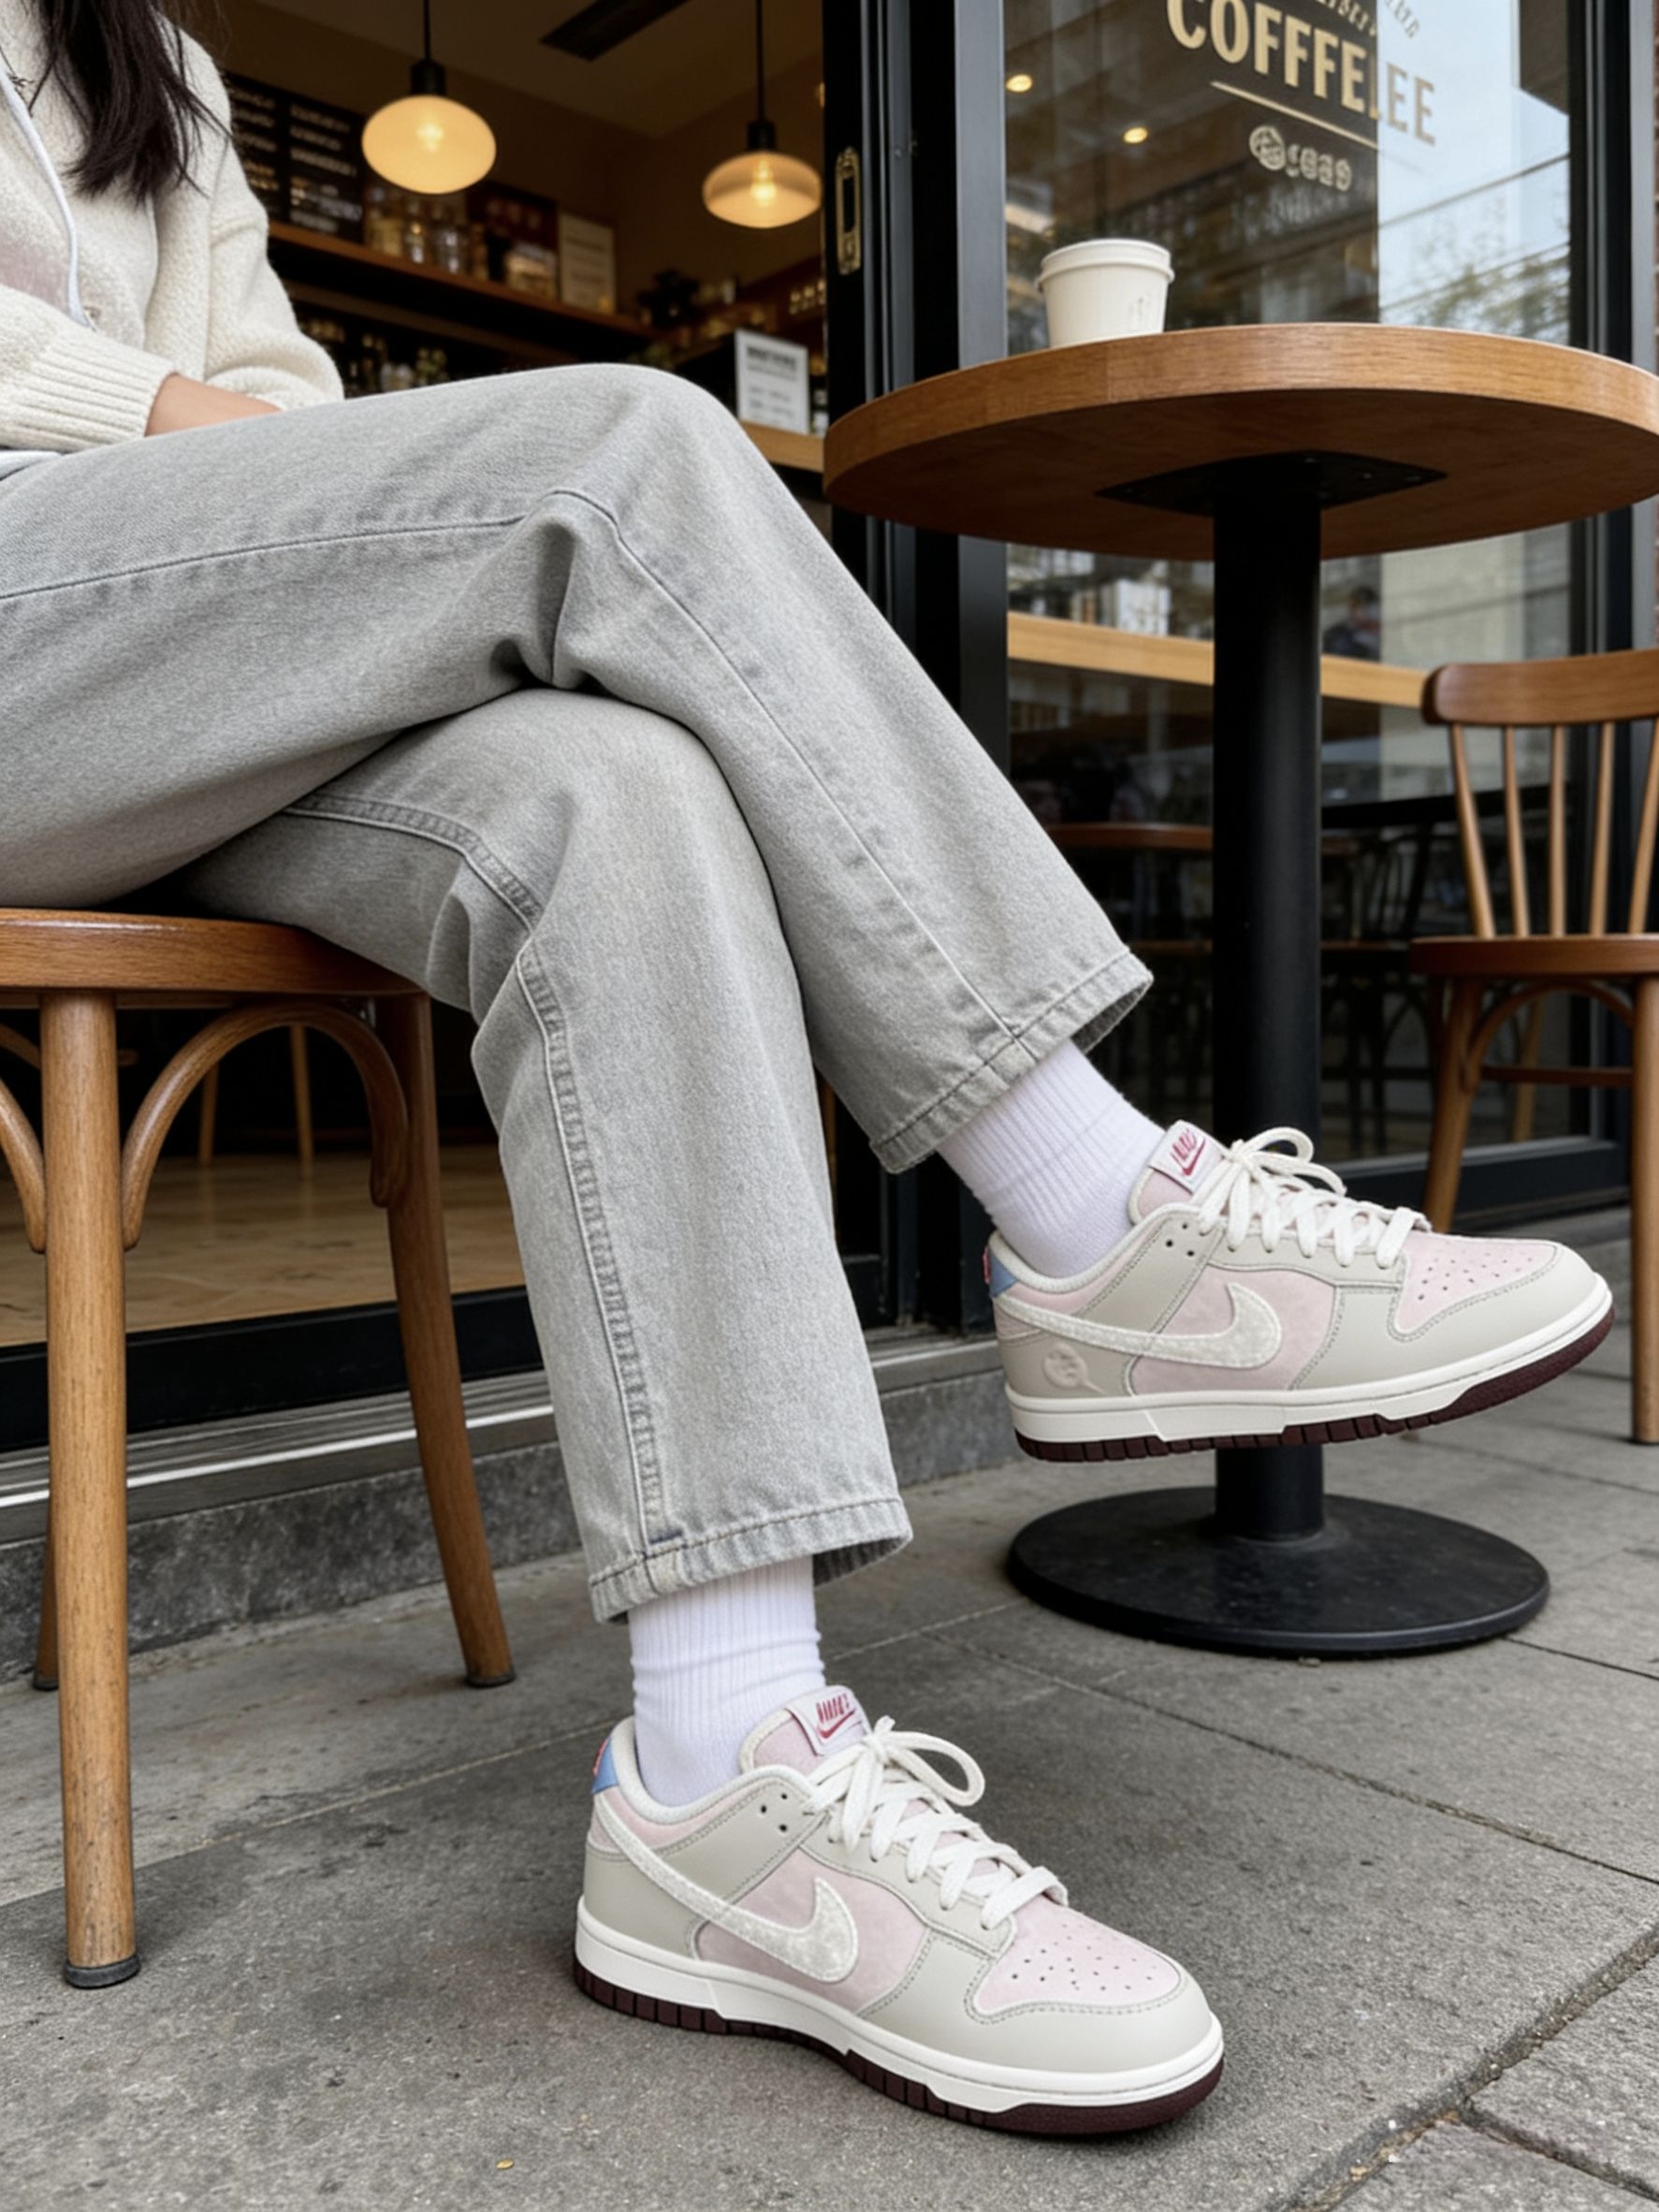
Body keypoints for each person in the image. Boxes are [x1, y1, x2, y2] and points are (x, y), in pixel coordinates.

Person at [0, 0, 1612, 2136]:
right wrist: (151, 410)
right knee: (626, 450)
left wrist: (217, 444)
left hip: (196, 668)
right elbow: (224, 415)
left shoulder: (153, 61)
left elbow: (280, 403)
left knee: (622, 802)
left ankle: (717, 1779)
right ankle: (1088, 1210)